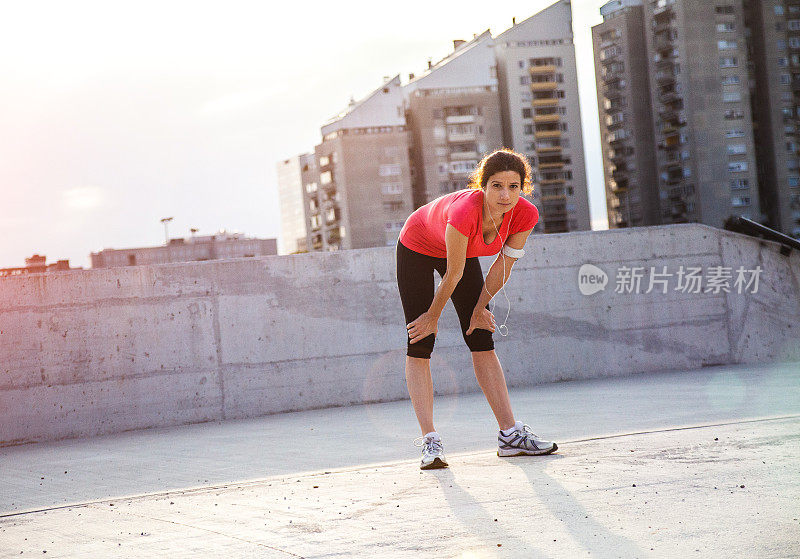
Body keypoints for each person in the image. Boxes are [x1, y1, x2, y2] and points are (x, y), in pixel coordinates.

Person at [395, 148, 558, 470]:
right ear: (482, 186)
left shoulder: (525, 214)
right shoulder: (466, 211)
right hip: (417, 245)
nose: (505, 194)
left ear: (523, 188)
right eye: (497, 185)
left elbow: (504, 265)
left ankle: (510, 436)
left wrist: (480, 307)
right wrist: (431, 317)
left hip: (460, 253)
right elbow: (453, 272)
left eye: (513, 186)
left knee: (481, 333)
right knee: (420, 341)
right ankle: (430, 441)